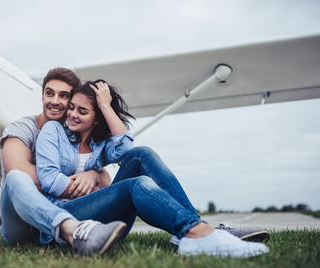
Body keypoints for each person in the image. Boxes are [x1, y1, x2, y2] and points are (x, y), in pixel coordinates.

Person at [34, 80, 269, 257]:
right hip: (69, 220)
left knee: (141, 154)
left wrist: (105, 107)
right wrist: (92, 185)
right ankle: (198, 232)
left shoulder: (99, 146)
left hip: (107, 224)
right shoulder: (53, 131)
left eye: (82, 111)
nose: (72, 115)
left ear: (97, 119)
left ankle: (192, 230)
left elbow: (126, 148)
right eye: (72, 107)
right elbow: (49, 181)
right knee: (137, 185)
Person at [0, 68, 127, 255]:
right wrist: (84, 186)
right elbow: (21, 172)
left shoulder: (75, 134)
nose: (55, 101)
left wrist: (93, 174)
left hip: (62, 212)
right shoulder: (22, 129)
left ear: (73, 100)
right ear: (42, 95)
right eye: (49, 93)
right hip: (21, 224)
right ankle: (71, 229)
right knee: (16, 178)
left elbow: (106, 180)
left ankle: (73, 230)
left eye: (64, 95)